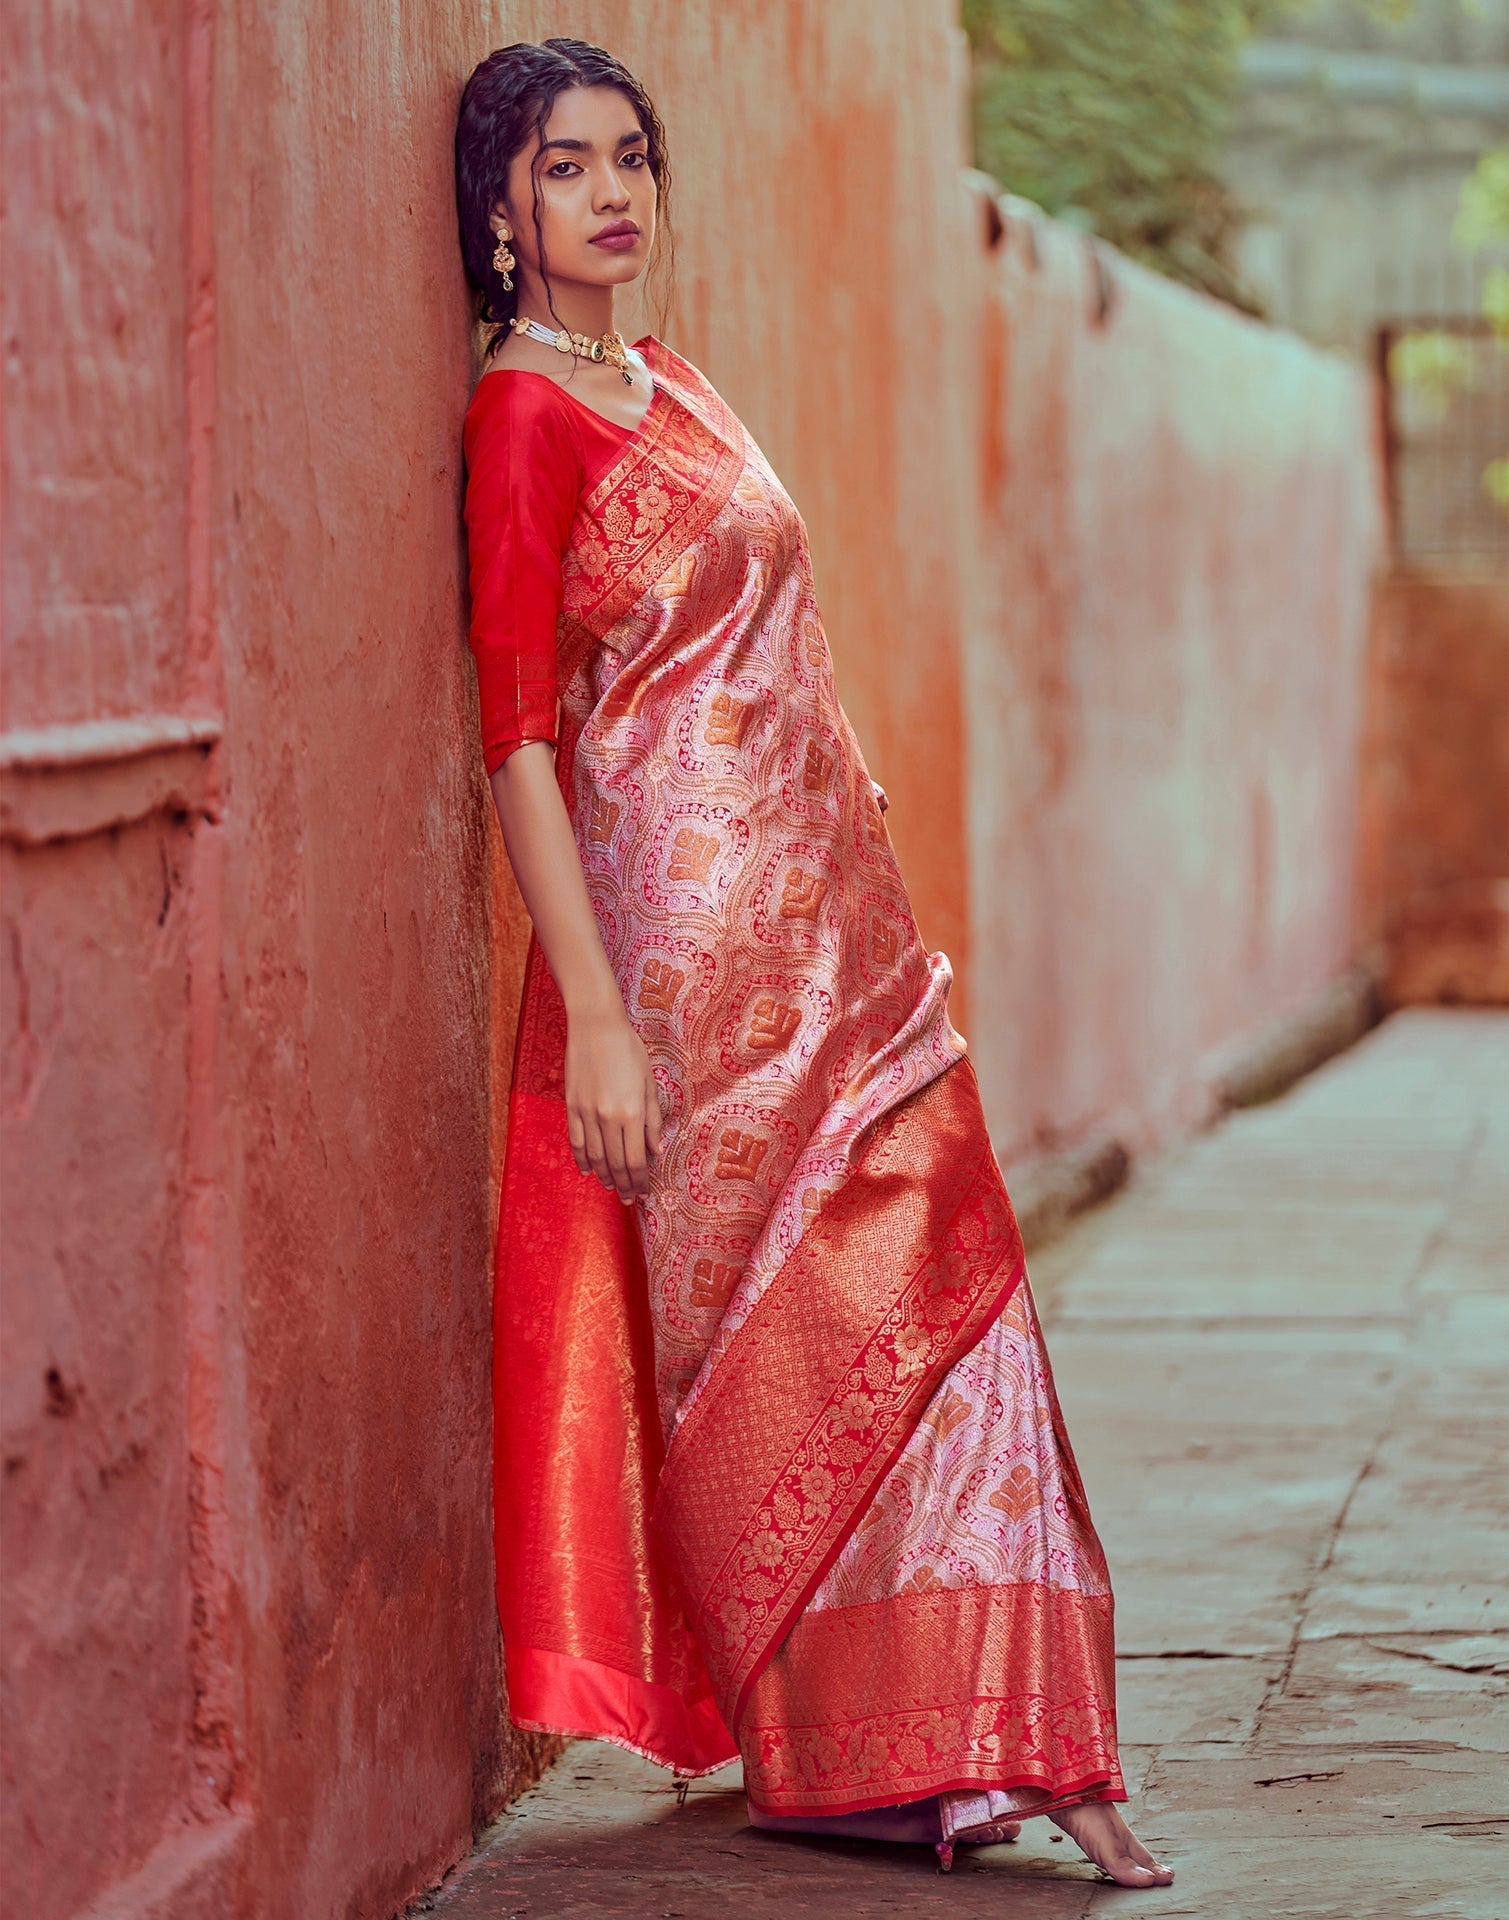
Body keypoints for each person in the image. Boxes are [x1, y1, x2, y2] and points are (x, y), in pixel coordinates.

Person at [453, 37, 1173, 1890]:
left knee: (957, 1286)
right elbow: (520, 734)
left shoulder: (673, 384)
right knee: (794, 1341)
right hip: (693, 988)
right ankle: (865, 1744)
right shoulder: (525, 421)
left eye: (632, 159)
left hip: (838, 939)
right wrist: (597, 1015)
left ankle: (1019, 1731)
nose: (611, 195)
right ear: (499, 212)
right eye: (562, 168)